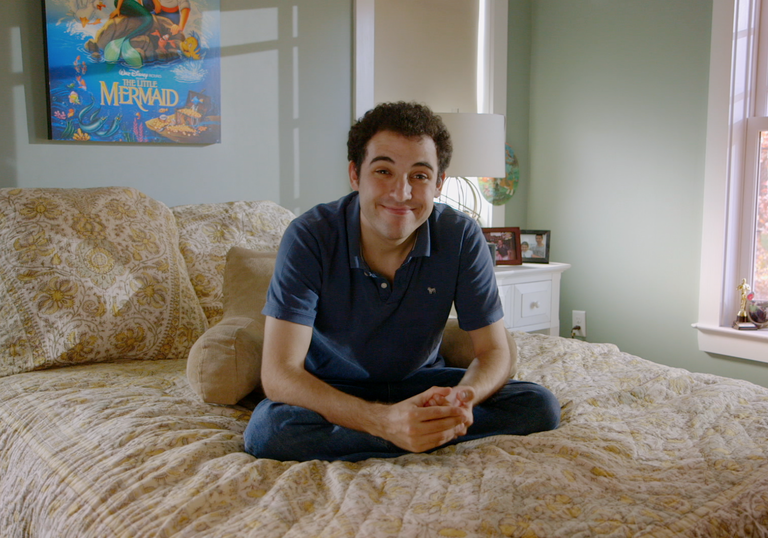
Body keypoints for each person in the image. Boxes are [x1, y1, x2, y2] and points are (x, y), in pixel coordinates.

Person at [244, 102, 560, 462]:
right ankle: (412, 434)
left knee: (539, 405)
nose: (402, 193)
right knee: (270, 432)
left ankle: (414, 430)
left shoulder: (461, 236)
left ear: (439, 183)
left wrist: (463, 399)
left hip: (424, 385)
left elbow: (494, 351)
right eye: (383, 171)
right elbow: (279, 374)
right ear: (354, 174)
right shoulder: (310, 236)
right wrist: (382, 421)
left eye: (420, 176)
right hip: (334, 389)